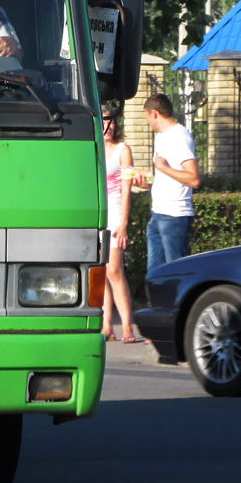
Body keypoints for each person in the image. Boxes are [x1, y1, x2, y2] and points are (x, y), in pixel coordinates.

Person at [132, 93, 200, 272]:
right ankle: (158, 301)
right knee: (155, 273)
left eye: (147, 116)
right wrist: (147, 183)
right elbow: (167, 177)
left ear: (154, 113)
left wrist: (163, 169)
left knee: (176, 272)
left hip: (174, 216)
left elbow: (193, 178)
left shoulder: (179, 136)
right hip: (158, 213)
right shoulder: (161, 137)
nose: (148, 122)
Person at [100, 107, 141, 343]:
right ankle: (107, 325)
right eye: (106, 121)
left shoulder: (122, 150)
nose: (110, 126)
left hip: (115, 213)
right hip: (99, 215)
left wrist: (123, 223)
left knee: (115, 270)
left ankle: (127, 325)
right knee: (101, 272)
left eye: (113, 121)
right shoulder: (94, 150)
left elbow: (127, 190)